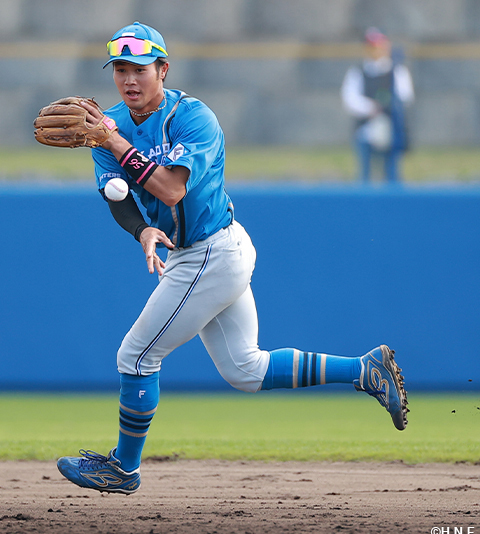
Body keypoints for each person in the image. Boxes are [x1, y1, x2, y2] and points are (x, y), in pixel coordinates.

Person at [55, 22, 408, 495]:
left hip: (212, 251)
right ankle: (365, 370)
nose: (129, 79)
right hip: (195, 254)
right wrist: (141, 229)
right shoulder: (108, 122)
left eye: (140, 69)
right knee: (246, 370)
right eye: (120, 69)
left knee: (136, 356)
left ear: (163, 69)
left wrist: (114, 141)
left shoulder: (192, 118)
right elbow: (115, 193)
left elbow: (172, 189)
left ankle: (124, 468)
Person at [341, 27, 414, 183]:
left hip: (391, 128)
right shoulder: (358, 71)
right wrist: (371, 108)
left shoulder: (397, 70)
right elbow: (350, 99)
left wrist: (388, 104)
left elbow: (405, 96)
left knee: (392, 173)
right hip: (365, 128)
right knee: (365, 174)